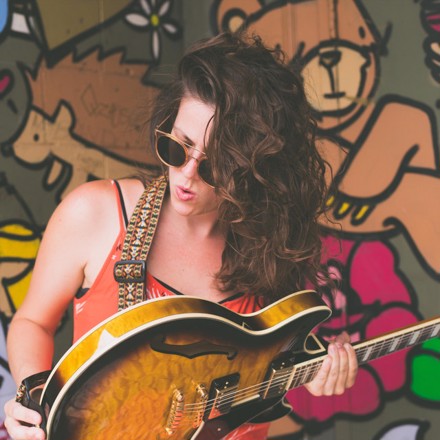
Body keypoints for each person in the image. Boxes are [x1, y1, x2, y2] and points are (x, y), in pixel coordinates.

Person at [4, 32, 358, 440]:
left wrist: (320, 374)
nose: (187, 174)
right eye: (178, 146)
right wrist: (33, 399)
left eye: (215, 165)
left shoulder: (271, 247)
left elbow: (271, 369)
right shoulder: (96, 214)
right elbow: (32, 321)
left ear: (255, 170)